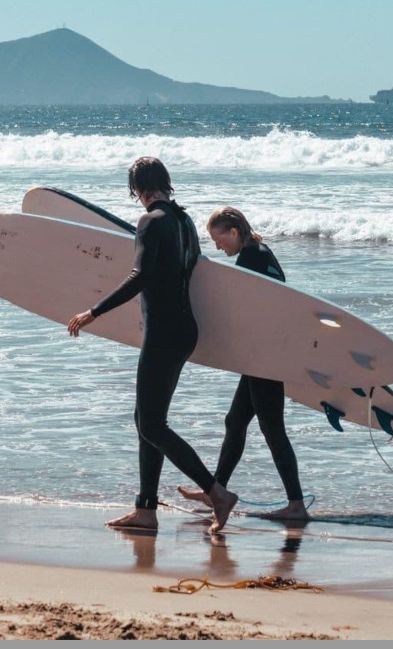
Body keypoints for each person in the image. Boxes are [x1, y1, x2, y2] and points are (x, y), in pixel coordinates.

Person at [67, 157, 238, 534]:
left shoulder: (150, 221)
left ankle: (216, 493)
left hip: (163, 333)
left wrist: (95, 311)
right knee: (147, 421)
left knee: (151, 424)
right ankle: (145, 509)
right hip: (183, 330)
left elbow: (140, 275)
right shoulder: (185, 222)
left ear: (138, 189)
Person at [177, 207, 308, 522]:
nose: (219, 247)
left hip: (263, 357)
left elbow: (242, 312)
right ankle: (216, 492)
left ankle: (296, 505)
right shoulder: (263, 253)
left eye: (219, 239)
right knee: (235, 421)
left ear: (233, 231)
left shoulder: (250, 259)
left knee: (272, 429)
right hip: (265, 353)